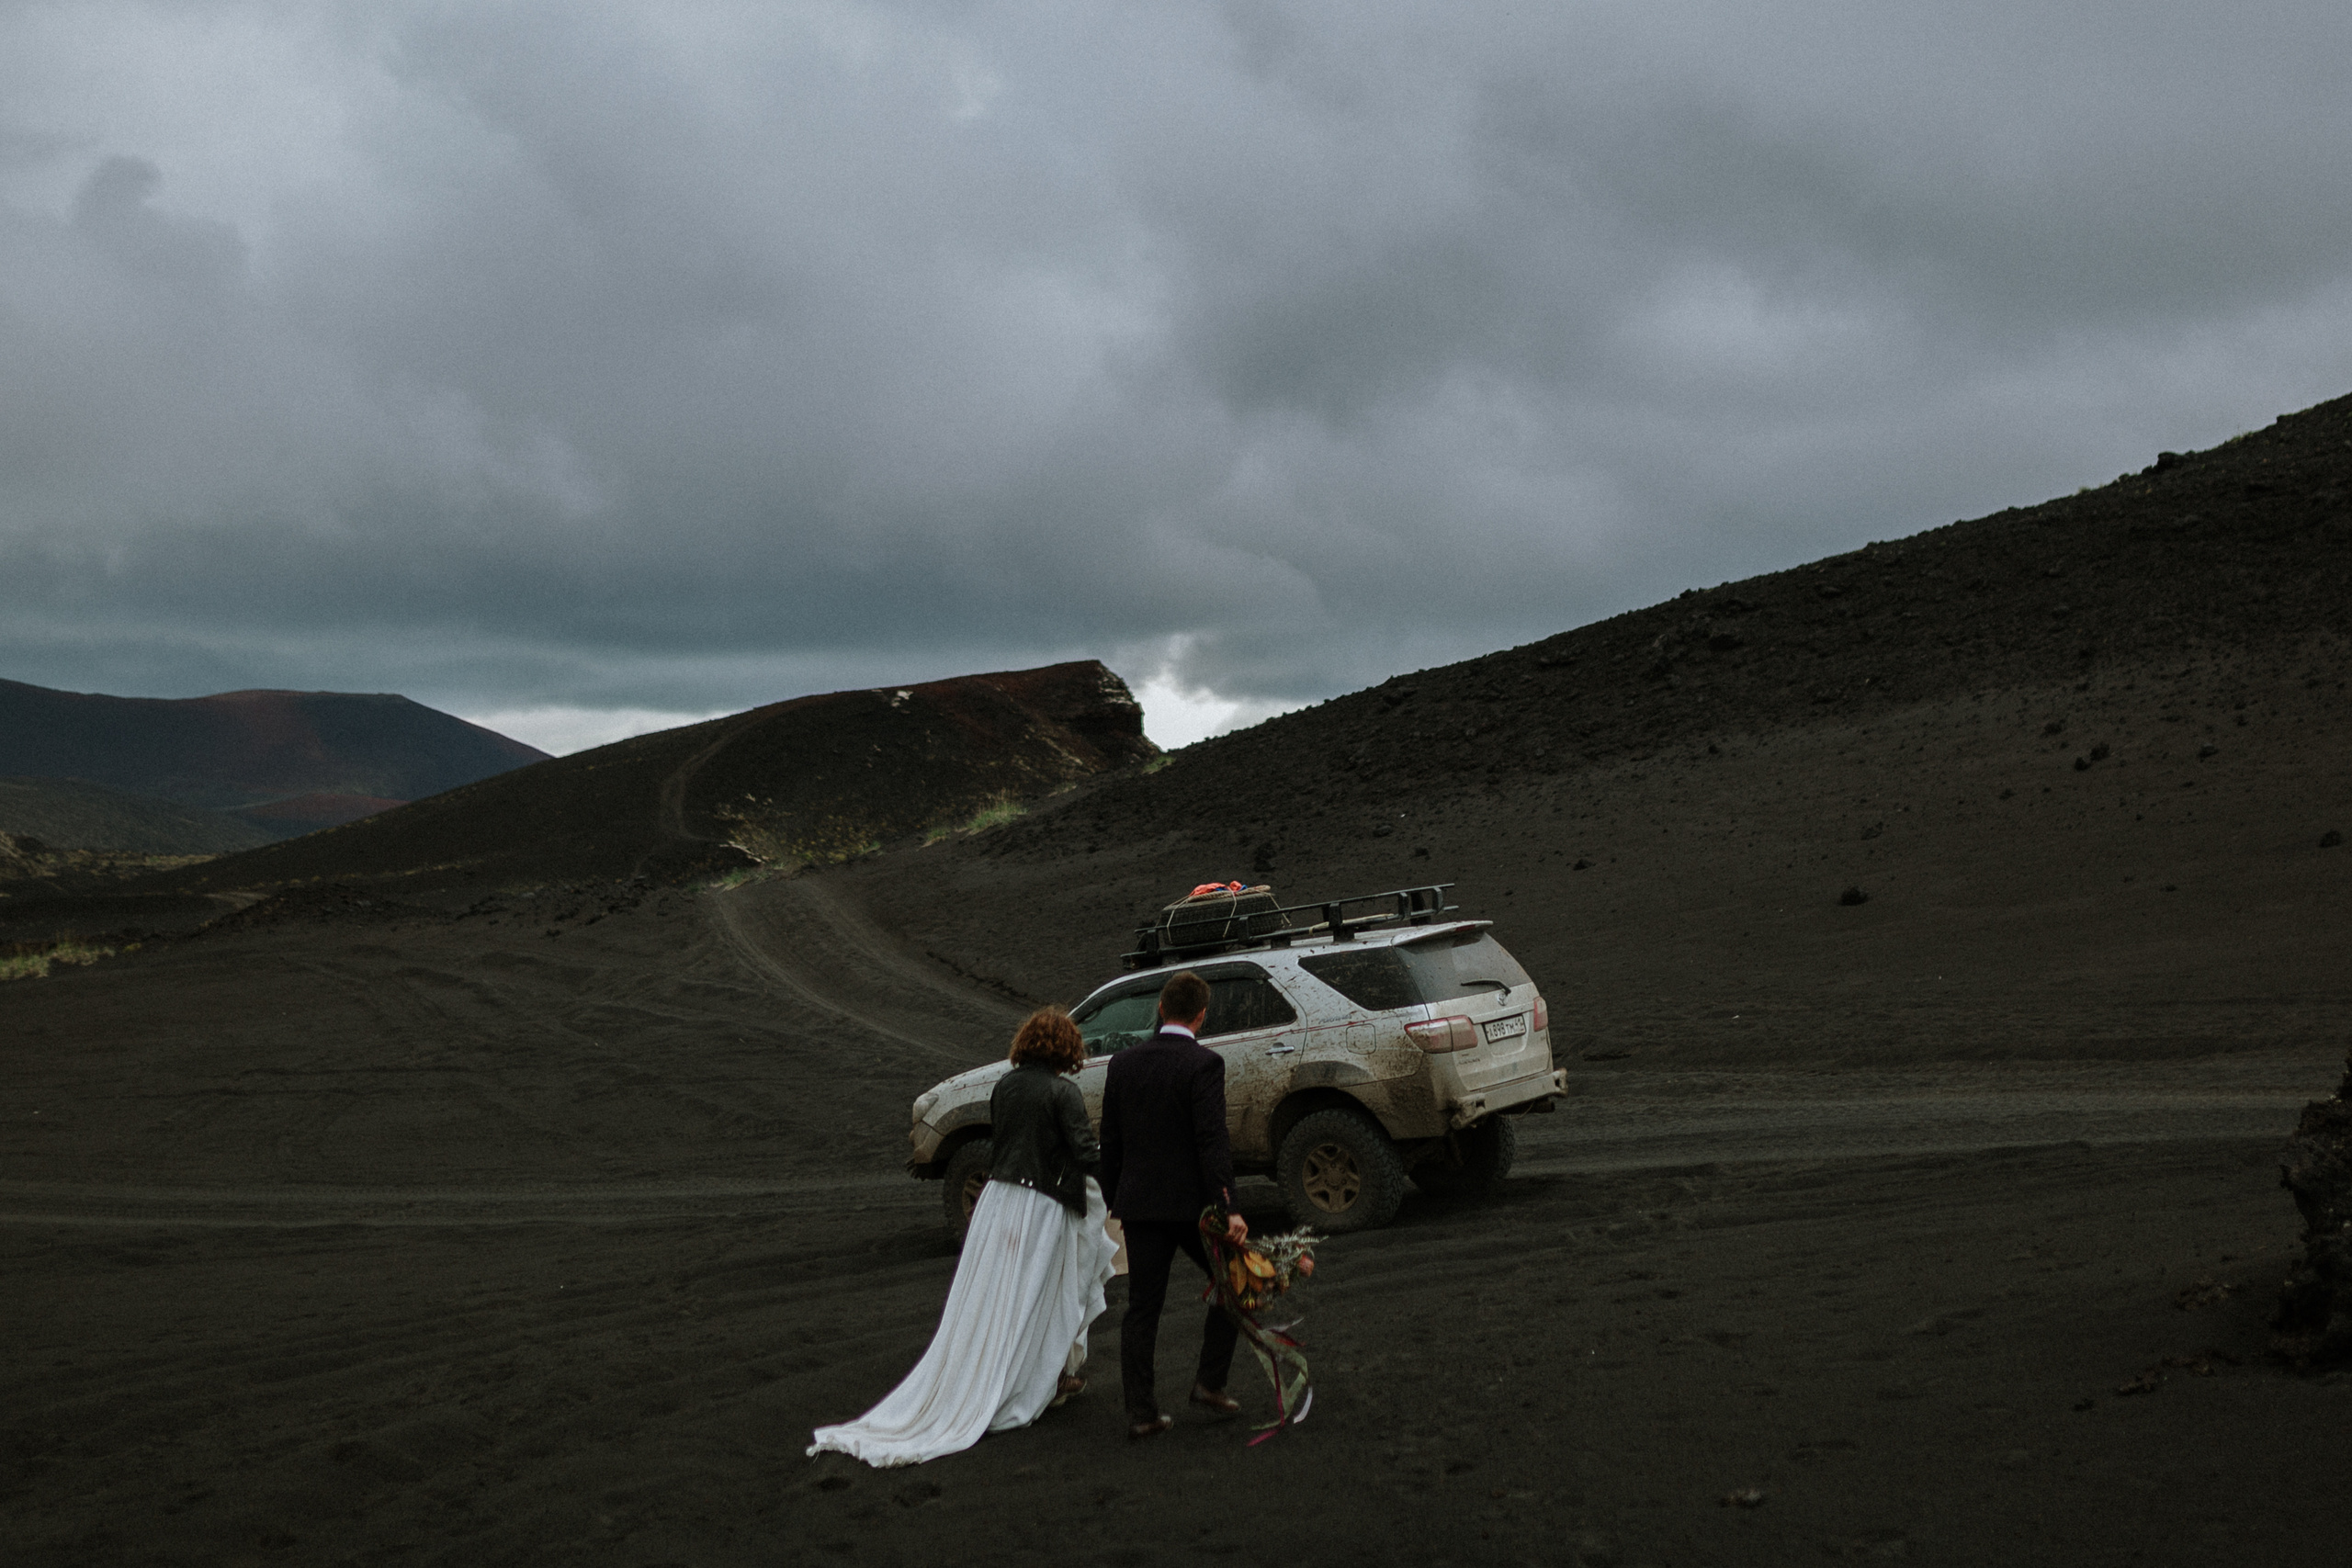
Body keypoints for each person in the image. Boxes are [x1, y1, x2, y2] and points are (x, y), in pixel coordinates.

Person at [807, 1008, 1118, 1467]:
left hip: (999, 1201)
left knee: (996, 1298)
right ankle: (1033, 1380)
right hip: (1042, 1206)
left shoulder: (1005, 1087)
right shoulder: (1062, 1092)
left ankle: (1031, 1376)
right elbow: (1084, 1152)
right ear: (1066, 1048)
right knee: (1040, 1297)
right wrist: (1117, 1178)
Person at [1098, 968, 1250, 1438]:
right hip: (1192, 1207)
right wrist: (1229, 1205)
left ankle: (1142, 1413)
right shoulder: (1204, 1064)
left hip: (1141, 1205)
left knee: (1143, 1308)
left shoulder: (1122, 1064)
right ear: (1202, 1016)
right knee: (1234, 1282)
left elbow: (1110, 1140)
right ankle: (1209, 1380)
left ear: (1161, 1008)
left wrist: (1114, 1199)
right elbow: (1212, 1141)